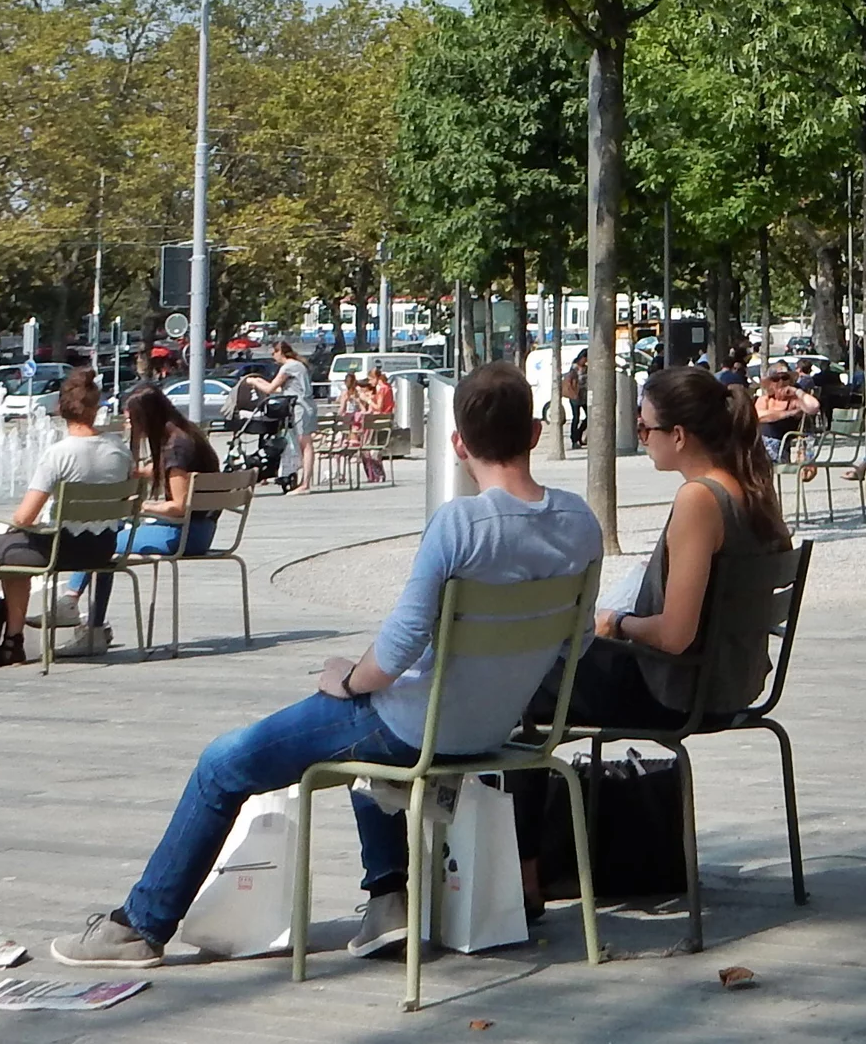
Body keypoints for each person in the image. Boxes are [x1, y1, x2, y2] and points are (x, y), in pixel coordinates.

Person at [47, 364, 603, 969]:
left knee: (223, 765)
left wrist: (345, 677)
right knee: (361, 745)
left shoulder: (460, 524)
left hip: (415, 726)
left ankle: (140, 927)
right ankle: (389, 901)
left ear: (458, 443)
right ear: (533, 432)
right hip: (496, 730)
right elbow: (574, 645)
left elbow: (394, 655)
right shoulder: (579, 522)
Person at [508, 364, 790, 901]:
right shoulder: (754, 490)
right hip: (734, 684)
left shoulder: (699, 500)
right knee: (537, 675)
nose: (641, 438)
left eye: (645, 429)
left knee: (518, 679)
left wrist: (615, 622)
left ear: (678, 436)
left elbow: (676, 635)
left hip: (677, 689)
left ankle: (523, 877)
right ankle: (534, 864)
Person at [0, 370, 132, 671]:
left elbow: (25, 516)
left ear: (60, 409)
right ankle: (11, 644)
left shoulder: (59, 454)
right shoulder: (119, 449)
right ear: (96, 407)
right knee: (14, 549)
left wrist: (17, 525)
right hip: (103, 547)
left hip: (60, 549)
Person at [40, 384, 223, 659]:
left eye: (130, 416)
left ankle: (79, 611)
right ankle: (85, 616)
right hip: (199, 530)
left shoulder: (176, 448)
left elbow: (178, 507)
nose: (126, 420)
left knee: (105, 538)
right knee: (110, 535)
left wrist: (140, 506)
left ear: (146, 416)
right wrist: (130, 470)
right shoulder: (184, 435)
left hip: (186, 534)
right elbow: (164, 472)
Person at [243, 341, 317, 493]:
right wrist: (259, 381)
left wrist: (253, 382)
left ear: (280, 352)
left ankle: (305, 484)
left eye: (273, 353)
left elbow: (270, 389)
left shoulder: (288, 367)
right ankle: (304, 481)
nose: (273, 357)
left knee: (305, 444)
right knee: (306, 444)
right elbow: (279, 389)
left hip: (300, 407)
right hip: (307, 405)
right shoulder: (298, 365)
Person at [754, 359, 821, 476]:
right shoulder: (764, 400)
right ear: (770, 383)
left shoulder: (796, 401)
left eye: (784, 378)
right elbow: (757, 416)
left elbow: (814, 407)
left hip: (779, 449)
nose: (780, 382)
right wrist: (788, 414)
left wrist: (797, 391)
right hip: (760, 449)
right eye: (775, 379)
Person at [563, 352, 587, 448]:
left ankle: (579, 435)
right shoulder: (574, 369)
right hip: (575, 396)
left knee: (588, 417)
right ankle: (574, 439)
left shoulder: (586, 368)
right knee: (576, 417)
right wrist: (573, 394)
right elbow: (569, 383)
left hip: (584, 396)